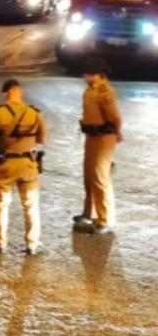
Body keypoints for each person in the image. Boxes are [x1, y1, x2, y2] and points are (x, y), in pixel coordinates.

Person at [0, 79, 45, 256]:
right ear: (20, 91)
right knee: (31, 205)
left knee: (1, 204)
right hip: (28, 165)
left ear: (5, 93)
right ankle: (32, 244)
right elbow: (42, 140)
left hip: (5, 165)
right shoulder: (34, 113)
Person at [76, 58, 122, 234]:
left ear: (96, 74)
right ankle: (89, 213)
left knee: (100, 176)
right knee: (89, 175)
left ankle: (105, 219)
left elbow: (116, 117)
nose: (84, 77)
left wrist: (118, 133)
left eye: (86, 74)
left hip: (104, 137)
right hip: (91, 136)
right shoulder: (89, 90)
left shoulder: (105, 92)